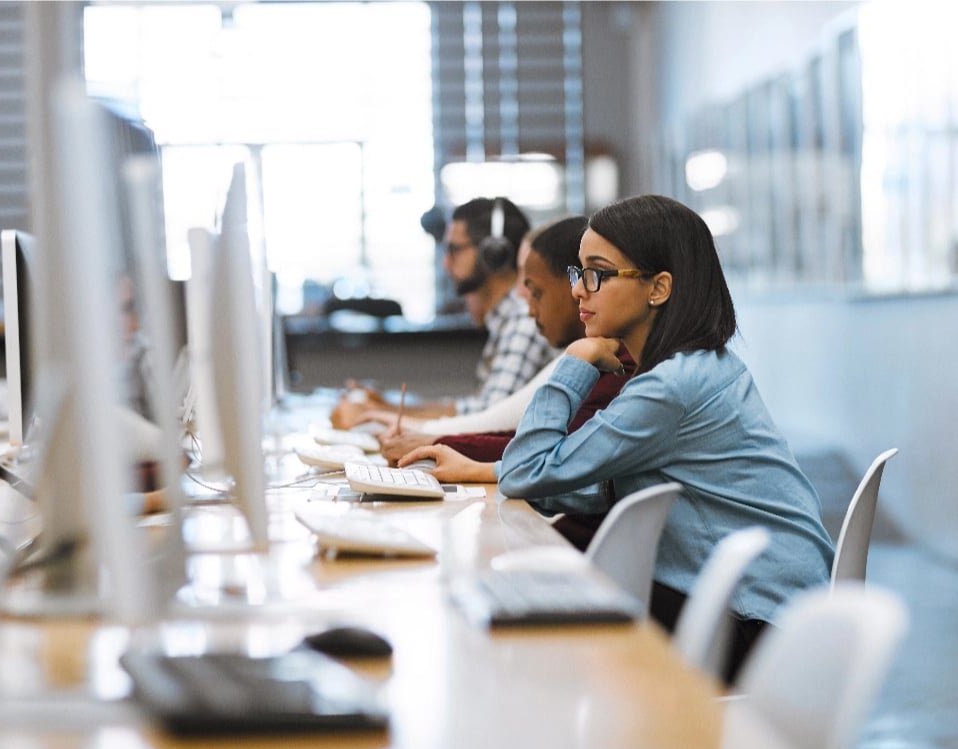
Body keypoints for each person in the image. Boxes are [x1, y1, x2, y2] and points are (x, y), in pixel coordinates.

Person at [478, 193, 834, 683]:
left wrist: (574, 365)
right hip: (777, 611)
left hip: (756, 625)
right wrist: (529, 479)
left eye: (597, 273)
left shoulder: (671, 388)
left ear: (659, 288)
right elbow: (581, 481)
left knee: (543, 640)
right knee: (549, 608)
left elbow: (524, 473)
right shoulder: (693, 367)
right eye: (578, 272)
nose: (580, 290)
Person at [380, 215, 634, 466]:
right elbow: (533, 443)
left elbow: (549, 457)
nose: (521, 295)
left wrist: (435, 442)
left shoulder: (620, 363)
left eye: (596, 274)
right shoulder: (600, 353)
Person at [331, 197, 558, 427]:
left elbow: (487, 421)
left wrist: (380, 414)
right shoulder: (507, 320)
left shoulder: (523, 321)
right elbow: (475, 409)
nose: (445, 263)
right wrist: (386, 408)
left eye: (454, 249)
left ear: (493, 254)